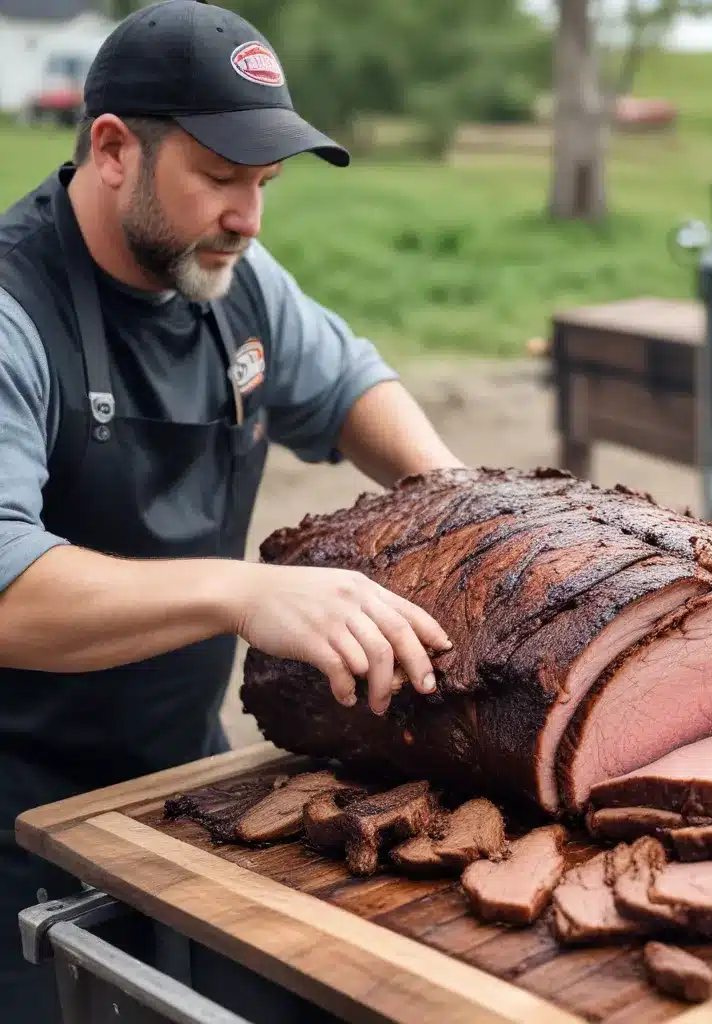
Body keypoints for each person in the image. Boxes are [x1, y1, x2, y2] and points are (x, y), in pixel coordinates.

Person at [0, 1, 466, 1017]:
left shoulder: (233, 278)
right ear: (115, 149)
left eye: (265, 184)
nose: (249, 218)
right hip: (14, 814)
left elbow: (349, 388)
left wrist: (462, 502)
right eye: (219, 177)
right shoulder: (12, 309)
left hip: (173, 781)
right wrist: (243, 592)